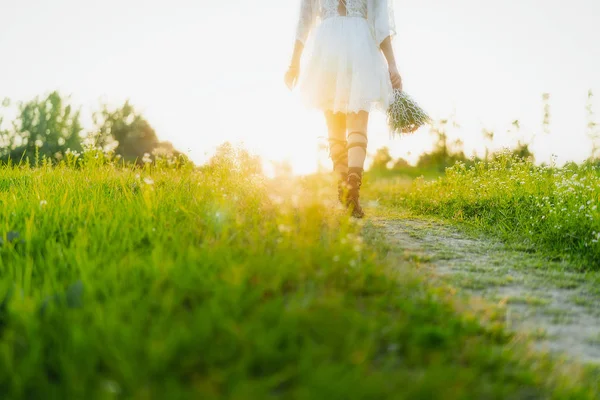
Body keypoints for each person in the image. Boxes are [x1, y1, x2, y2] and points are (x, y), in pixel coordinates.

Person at [285, 0, 402, 218]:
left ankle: (344, 189)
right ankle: (353, 192)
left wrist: (294, 63)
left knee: (334, 126)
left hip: (327, 46)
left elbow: (305, 20)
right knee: (358, 123)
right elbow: (380, 21)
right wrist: (392, 64)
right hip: (360, 45)